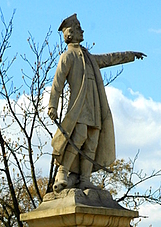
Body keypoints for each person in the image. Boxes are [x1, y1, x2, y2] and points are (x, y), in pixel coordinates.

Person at [48, 14, 145, 192]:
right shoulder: (68, 56)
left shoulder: (89, 57)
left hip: (95, 106)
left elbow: (110, 58)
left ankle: (84, 179)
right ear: (69, 34)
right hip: (79, 106)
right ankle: (62, 171)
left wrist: (130, 55)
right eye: (78, 28)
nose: (82, 30)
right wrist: (52, 105)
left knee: (92, 141)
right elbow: (57, 82)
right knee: (79, 136)